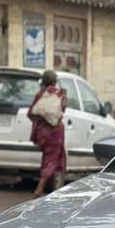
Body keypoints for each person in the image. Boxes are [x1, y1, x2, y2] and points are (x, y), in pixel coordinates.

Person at [28, 70, 67, 198]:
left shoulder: (40, 95)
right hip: (55, 134)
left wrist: (42, 121)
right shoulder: (60, 94)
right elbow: (62, 111)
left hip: (42, 135)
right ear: (55, 81)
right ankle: (39, 189)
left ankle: (55, 189)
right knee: (52, 160)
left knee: (50, 158)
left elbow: (31, 113)